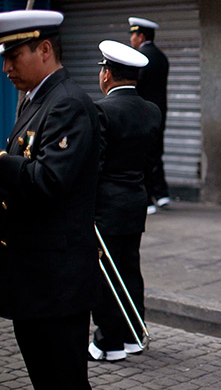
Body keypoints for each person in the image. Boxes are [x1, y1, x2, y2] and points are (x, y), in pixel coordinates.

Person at [0, 10, 100, 389]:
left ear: (44, 49)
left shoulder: (67, 103)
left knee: (63, 381)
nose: (6, 69)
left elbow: (47, 180)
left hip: (56, 282)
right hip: (32, 276)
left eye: (13, 57)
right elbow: (16, 175)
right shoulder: (36, 100)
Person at [88, 41, 161, 362]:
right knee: (130, 267)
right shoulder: (151, 110)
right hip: (136, 198)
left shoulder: (99, 110)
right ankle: (134, 334)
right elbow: (151, 162)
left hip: (106, 203)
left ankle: (109, 342)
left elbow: (95, 165)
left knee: (104, 271)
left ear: (107, 74)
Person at [129, 17, 170, 215]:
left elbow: (138, 87)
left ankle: (147, 201)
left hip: (143, 114)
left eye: (133, 35)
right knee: (156, 152)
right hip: (160, 113)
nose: (131, 39)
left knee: (142, 154)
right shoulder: (162, 57)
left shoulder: (140, 58)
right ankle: (161, 194)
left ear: (141, 36)